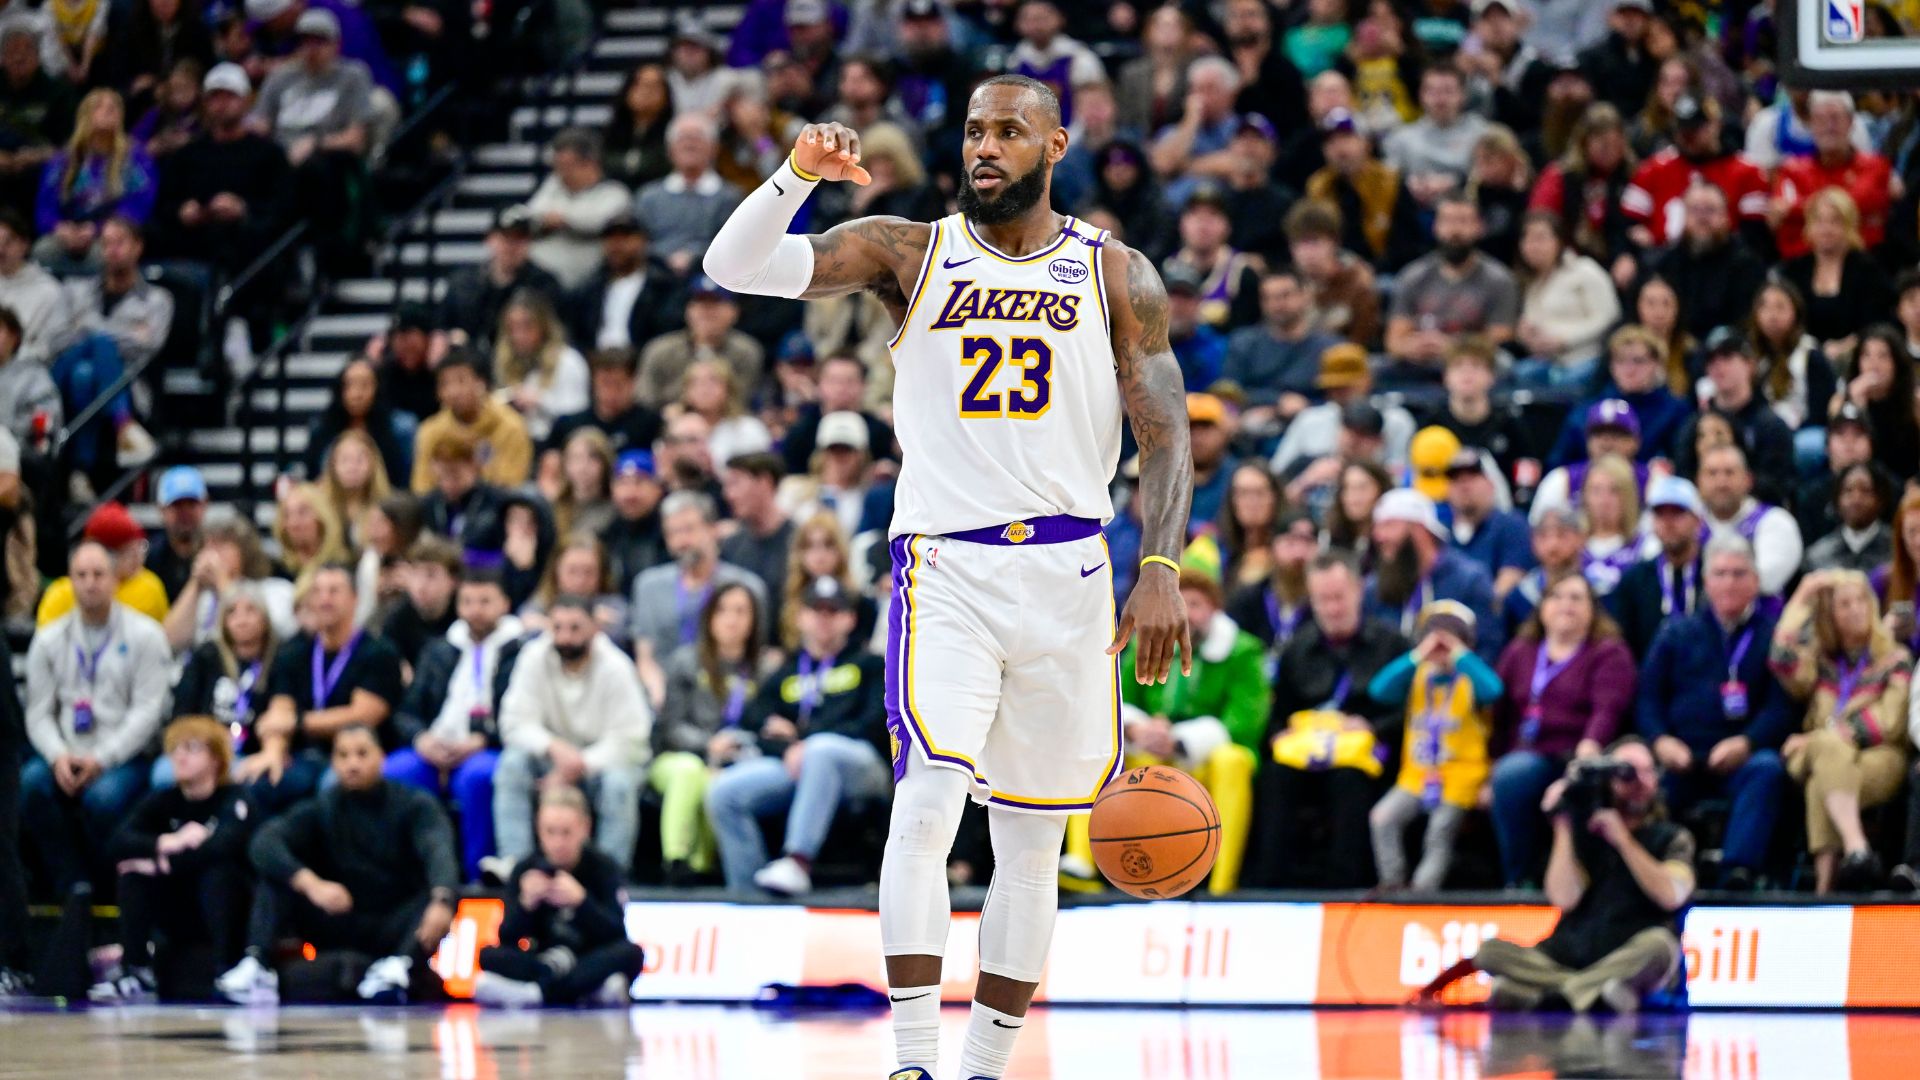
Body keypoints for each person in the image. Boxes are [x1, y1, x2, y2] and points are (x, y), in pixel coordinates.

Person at [702, 81, 1195, 1080]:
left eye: (1010, 131)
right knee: (927, 799)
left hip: (1070, 570)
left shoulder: (1116, 274)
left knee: (1031, 841)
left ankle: (984, 1069)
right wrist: (798, 174)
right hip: (948, 565)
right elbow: (732, 265)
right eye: (974, 130)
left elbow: (1165, 428)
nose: (987, 147)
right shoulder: (909, 250)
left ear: (1055, 144)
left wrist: (1161, 563)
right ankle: (913, 1062)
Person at [1430, 738, 1693, 1013]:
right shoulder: (1583, 832)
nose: (1638, 780)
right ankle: (1590, 994)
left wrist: (1623, 841)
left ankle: (1547, 996)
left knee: (1661, 946)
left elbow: (1671, 895)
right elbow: (1564, 898)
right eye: (1626, 771)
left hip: (1628, 955)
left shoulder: (1672, 837)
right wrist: (1563, 825)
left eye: (1647, 771)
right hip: (1569, 955)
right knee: (1489, 951)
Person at [216, 724, 457, 1006]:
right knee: (276, 875)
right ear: (333, 762)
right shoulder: (324, 806)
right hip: (339, 915)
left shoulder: (415, 805)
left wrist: (442, 900)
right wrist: (311, 883)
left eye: (361, 754)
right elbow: (265, 841)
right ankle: (258, 965)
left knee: (441, 894)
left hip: (395, 922)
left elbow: (438, 850)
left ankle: (398, 967)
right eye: (343, 756)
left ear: (381, 758)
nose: (352, 764)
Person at [1068, 572, 1264, 894]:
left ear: (1215, 609)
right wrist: (1136, 727)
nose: (1186, 613)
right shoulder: (1146, 640)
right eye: (1179, 603)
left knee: (1233, 761)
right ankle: (1082, 864)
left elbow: (1243, 722)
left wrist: (1180, 740)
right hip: (1151, 752)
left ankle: (1221, 884)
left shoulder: (1243, 652)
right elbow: (1117, 699)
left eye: (1196, 604)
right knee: (1098, 743)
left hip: (1206, 757)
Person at [704, 576, 888, 896]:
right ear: (801, 617)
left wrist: (803, 738)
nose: (823, 619)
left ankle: (798, 861)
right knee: (724, 792)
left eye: (833, 611)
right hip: (801, 765)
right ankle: (749, 894)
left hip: (861, 765)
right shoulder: (787, 671)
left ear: (850, 618)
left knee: (820, 749)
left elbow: (874, 725)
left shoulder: (871, 665)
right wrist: (788, 747)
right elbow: (754, 724)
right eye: (816, 610)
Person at [1246, 550, 1408, 888]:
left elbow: (1410, 711)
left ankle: (1344, 889)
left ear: (1359, 591)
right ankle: (1267, 888)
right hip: (1304, 752)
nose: (1332, 609)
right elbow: (1276, 715)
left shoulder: (1392, 645)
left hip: (1365, 756)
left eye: (1338, 597)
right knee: (1275, 777)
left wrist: (1373, 727)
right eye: (1322, 600)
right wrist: (1279, 734)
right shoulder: (1296, 648)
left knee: (1348, 781)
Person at [1637, 537, 1789, 889]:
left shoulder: (1774, 635)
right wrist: (1661, 741)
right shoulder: (1675, 633)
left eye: (1739, 574)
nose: (1729, 583)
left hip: (1740, 757)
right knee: (1642, 779)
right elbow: (1647, 698)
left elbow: (1780, 706)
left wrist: (1747, 743)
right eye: (1720, 574)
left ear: (1755, 581)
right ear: (1706, 581)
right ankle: (1657, 873)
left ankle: (1738, 872)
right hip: (1681, 756)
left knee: (1766, 770)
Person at [22, 540, 170, 892]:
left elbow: (149, 712)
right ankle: (71, 885)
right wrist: (58, 755)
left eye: (99, 574)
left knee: (103, 799)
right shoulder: (48, 639)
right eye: (81, 575)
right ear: (69, 581)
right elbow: (38, 713)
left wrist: (102, 759)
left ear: (115, 579)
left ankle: (110, 887)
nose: (90, 582)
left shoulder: (146, 635)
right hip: (67, 750)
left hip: (126, 756)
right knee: (31, 785)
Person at [1489, 571, 1637, 885]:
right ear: (1542, 607)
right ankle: (1519, 880)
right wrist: (1485, 768)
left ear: (1592, 610)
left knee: (1517, 774)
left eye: (1576, 598)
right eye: (1556, 597)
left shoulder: (1608, 652)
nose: (1565, 605)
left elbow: (1607, 708)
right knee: (1509, 775)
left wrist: (1591, 745)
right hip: (1524, 752)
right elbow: (1498, 715)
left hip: (1576, 754)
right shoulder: (1520, 651)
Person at [1769, 569, 1913, 893]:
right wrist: (1803, 594)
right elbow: (1781, 658)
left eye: (1862, 600)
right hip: (1817, 756)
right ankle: (1856, 848)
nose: (1856, 609)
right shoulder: (1820, 661)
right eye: (1844, 604)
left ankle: (1825, 886)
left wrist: (1828, 736)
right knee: (1827, 758)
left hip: (1878, 755)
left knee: (1824, 767)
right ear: (1829, 614)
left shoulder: (1895, 658)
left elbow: (1890, 721)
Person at [92, 716, 254, 1002]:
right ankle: (137, 969)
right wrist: (165, 842)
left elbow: (224, 847)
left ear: (216, 759)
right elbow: (116, 843)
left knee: (218, 873)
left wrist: (163, 864)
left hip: (226, 906)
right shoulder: (164, 799)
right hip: (178, 906)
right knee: (133, 875)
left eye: (191, 748)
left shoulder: (235, 798)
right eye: (175, 748)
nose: (179, 756)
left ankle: (226, 967)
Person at [495, 595, 651, 877]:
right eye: (558, 628)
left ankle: (610, 875)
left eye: (575, 628)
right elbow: (513, 722)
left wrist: (578, 765)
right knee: (511, 765)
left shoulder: (617, 667)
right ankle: (514, 867)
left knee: (619, 784)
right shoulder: (533, 657)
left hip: (601, 766)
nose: (565, 637)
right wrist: (553, 748)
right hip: (550, 761)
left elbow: (631, 740)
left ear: (595, 627)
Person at [387, 569, 524, 881]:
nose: (475, 610)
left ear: (504, 604)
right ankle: (406, 876)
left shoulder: (520, 651)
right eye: (467, 602)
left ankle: (477, 879)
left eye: (485, 601)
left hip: (489, 745)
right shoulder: (439, 650)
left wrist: (482, 740)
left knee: (479, 778)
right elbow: (406, 711)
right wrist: (421, 739)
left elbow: (524, 715)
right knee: (395, 772)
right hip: (435, 745)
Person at [1367, 601, 1503, 890]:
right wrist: (1417, 656)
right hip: (1417, 775)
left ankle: (1422, 892)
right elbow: (1378, 690)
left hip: (1461, 776)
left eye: (1451, 636)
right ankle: (1391, 884)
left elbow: (1494, 690)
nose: (1440, 644)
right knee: (1382, 817)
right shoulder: (1418, 675)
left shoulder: (1471, 679)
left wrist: (1461, 656)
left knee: (1439, 830)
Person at [471, 786, 642, 1007]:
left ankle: (539, 993)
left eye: (566, 832)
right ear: (538, 830)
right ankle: (580, 991)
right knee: (487, 955)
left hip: (587, 958)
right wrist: (525, 904)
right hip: (543, 960)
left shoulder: (604, 867)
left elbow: (617, 933)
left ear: (585, 828)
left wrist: (581, 902)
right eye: (550, 832)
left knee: (631, 953)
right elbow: (507, 938)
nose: (558, 843)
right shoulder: (525, 868)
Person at [255, 564, 404, 788]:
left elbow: (362, 716)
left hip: (354, 756)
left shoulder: (379, 652)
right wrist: (272, 753)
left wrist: (298, 722)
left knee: (332, 787)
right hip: (301, 755)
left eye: (334, 591)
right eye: (317, 592)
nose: (325, 599)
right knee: (262, 780)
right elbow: (280, 710)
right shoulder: (294, 650)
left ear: (354, 599)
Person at [1381, 193, 1519, 385]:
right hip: (1421, 362)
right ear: (1435, 227)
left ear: (1479, 227)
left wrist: (1452, 346)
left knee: (1505, 365)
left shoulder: (1499, 279)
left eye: (1463, 221)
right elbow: (1394, 340)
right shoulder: (1413, 276)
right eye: (1447, 221)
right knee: (1374, 368)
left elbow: (1501, 336)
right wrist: (1413, 346)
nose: (1455, 230)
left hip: (1470, 364)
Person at [629, 490, 766, 669]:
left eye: (689, 529)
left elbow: (755, 653)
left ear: (712, 529)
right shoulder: (648, 586)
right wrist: (660, 695)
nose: (681, 541)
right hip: (665, 688)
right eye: (672, 533)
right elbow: (645, 657)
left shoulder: (747, 587)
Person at [1365, 488, 1503, 664]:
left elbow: (1488, 650)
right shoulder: (1374, 588)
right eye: (1377, 526)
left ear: (1419, 529)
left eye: (1389, 525)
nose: (1378, 536)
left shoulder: (1470, 580)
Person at [1673, 329, 1795, 503]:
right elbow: (1682, 479)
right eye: (1711, 361)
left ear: (1750, 364)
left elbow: (1779, 485)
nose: (1718, 366)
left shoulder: (1771, 426)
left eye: (1727, 358)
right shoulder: (1694, 426)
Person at [1269, 344, 1417, 475]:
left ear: (1367, 379)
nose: (1339, 391)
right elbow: (1277, 473)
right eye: (1334, 386)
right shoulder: (1309, 420)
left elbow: (1405, 475)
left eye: (1347, 385)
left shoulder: (1395, 420)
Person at [1222, 268, 1341, 426]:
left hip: (1313, 424)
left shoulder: (1330, 348)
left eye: (1285, 296)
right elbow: (1229, 391)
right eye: (1267, 298)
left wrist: (1308, 406)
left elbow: (1341, 398)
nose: (1276, 304)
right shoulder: (1243, 342)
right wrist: (1277, 401)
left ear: (1305, 296)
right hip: (1253, 425)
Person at [439, 207, 563, 354]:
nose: (512, 246)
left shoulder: (544, 285)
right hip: (470, 364)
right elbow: (442, 328)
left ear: (529, 242)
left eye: (519, 239)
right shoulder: (463, 282)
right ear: (490, 239)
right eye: (506, 237)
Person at [410, 349, 534, 493]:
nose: (453, 391)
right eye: (444, 384)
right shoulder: (429, 431)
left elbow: (511, 485)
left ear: (481, 383)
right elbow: (421, 490)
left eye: (461, 381)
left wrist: (471, 478)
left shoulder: (511, 427)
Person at [525, 128, 632, 290]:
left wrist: (564, 220)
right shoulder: (553, 185)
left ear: (590, 164)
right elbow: (530, 217)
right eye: (557, 166)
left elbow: (598, 221)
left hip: (586, 286)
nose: (561, 173)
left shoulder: (614, 193)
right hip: (539, 282)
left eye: (567, 166)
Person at [1614, 475, 1707, 659]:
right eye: (1660, 514)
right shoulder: (1634, 580)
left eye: (1677, 513)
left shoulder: (1715, 574)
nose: (1668, 522)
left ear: (1698, 521)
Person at [1695, 443, 1804, 598]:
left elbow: (1766, 581)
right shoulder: (1688, 521)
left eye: (1729, 473)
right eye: (1712, 473)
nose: (1721, 482)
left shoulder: (1775, 522)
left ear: (1748, 480)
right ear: (1698, 481)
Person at [38, 501, 169, 626]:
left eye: (140, 547)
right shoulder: (61, 596)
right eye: (129, 551)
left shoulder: (148, 587)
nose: (138, 558)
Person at [1225, 507, 1318, 652]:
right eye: (1290, 541)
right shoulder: (1247, 601)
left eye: (1308, 542)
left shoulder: (1325, 606)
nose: (1299, 552)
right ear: (1273, 546)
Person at [1446, 447, 1532, 600]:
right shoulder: (1441, 531)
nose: (1464, 486)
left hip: (1489, 617)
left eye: (1472, 477)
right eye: (1456, 479)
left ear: (1491, 484)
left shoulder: (1512, 525)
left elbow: (1509, 582)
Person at [1804, 463, 1895, 574]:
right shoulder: (1817, 556)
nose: (1856, 499)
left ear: (1880, 499)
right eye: (1848, 490)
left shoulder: (1898, 550)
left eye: (1865, 491)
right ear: (1837, 500)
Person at [146, 465, 208, 603]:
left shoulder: (217, 552)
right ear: (161, 509)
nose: (185, 513)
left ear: (205, 505)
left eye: (191, 504)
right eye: (177, 505)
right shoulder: (149, 558)